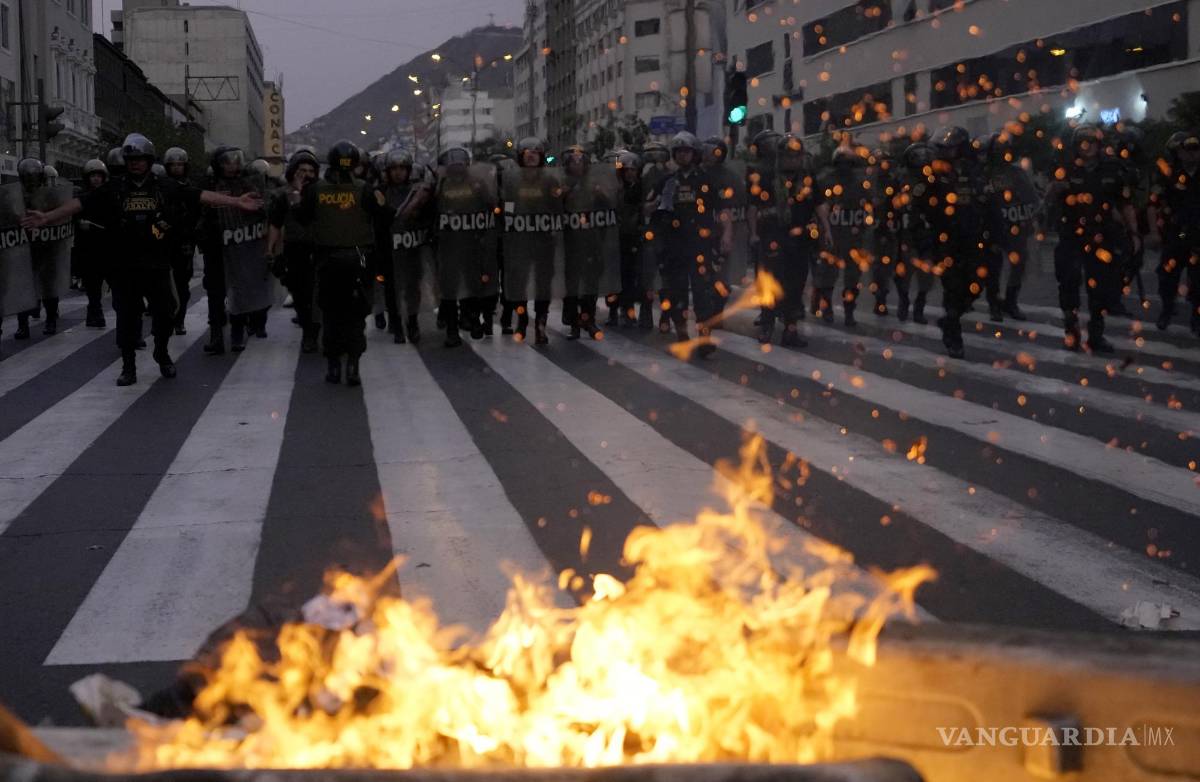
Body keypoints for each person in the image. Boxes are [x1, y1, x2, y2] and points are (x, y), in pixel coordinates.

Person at [21, 133, 261, 386]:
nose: (135, 163)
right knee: (127, 316)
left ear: (149, 160)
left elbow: (198, 195)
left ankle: (162, 351)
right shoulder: (114, 187)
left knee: (166, 312)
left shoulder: (164, 186)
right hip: (124, 264)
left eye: (140, 159)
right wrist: (47, 218)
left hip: (156, 262)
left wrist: (235, 201)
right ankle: (128, 366)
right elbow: (80, 203)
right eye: (131, 159)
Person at [293, 140, 388, 383]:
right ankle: (353, 364)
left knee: (331, 315)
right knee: (356, 315)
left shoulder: (316, 190)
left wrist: (299, 194)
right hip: (359, 260)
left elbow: (302, 218)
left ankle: (333, 365)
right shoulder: (365, 189)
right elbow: (384, 217)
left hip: (328, 262)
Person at [1045, 124, 1140, 352]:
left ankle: (1096, 333)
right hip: (1071, 235)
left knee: (1101, 287)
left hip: (1101, 236)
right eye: (1083, 143)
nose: (1088, 147)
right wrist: (1054, 191)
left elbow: (1125, 204)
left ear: (1099, 144)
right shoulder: (1066, 168)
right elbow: (1049, 199)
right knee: (1068, 282)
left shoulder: (1113, 169)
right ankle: (1072, 330)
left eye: (1092, 142)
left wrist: (1134, 233)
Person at [918, 126, 1004, 359]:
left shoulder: (975, 172)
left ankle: (951, 317)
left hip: (974, 239)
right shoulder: (932, 175)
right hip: (946, 242)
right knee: (953, 286)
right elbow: (921, 209)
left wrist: (997, 237)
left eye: (952, 147)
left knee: (977, 284)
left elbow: (991, 206)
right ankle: (953, 334)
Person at [652, 131, 732, 355]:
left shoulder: (706, 180)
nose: (683, 155)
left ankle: (704, 336)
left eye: (687, 151)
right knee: (676, 292)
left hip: (701, 244)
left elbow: (723, 208)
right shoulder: (667, 182)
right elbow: (650, 209)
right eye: (679, 152)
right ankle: (681, 332)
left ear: (694, 153)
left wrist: (726, 234)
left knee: (702, 292)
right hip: (674, 247)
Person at [751, 133, 831, 346]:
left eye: (796, 156)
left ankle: (790, 330)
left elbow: (819, 204)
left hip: (800, 238)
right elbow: (754, 206)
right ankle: (767, 325)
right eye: (788, 156)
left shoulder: (807, 178)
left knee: (795, 286)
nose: (792, 160)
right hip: (772, 236)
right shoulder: (767, 176)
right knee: (771, 282)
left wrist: (827, 229)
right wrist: (754, 234)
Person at [202, 146, 272, 351]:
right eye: (226, 162)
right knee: (215, 292)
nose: (232, 165)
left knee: (242, 288)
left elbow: (265, 205)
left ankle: (238, 332)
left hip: (243, 243)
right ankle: (216, 334)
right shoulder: (210, 182)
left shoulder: (250, 180)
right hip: (216, 246)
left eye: (235, 161)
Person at [433, 146, 500, 347]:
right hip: (449, 245)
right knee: (451, 290)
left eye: (460, 166)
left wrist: (485, 195)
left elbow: (493, 207)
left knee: (473, 286)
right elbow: (433, 211)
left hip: (473, 244)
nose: (456, 170)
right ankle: (452, 331)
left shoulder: (477, 183)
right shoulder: (441, 185)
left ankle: (473, 319)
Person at [500, 137, 562, 343]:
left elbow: (558, 207)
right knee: (519, 283)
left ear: (542, 157)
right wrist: (508, 225)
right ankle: (522, 318)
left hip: (544, 241)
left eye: (536, 152)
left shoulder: (550, 180)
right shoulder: (512, 180)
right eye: (527, 153)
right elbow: (506, 205)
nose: (532, 155)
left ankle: (541, 325)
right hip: (520, 241)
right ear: (520, 157)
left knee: (543, 283)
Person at [267, 147, 322, 353]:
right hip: (294, 249)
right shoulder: (283, 195)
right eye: (301, 170)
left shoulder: (321, 193)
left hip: (319, 249)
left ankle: (314, 331)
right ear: (292, 172)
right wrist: (271, 250)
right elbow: (274, 223)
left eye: (310, 170)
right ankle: (307, 329)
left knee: (318, 292)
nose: (306, 174)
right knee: (299, 292)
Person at [376, 148, 432, 345]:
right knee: (391, 289)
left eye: (402, 168)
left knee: (412, 288)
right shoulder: (380, 192)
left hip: (412, 248)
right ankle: (397, 324)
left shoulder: (417, 191)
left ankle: (413, 322)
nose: (398, 172)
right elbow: (378, 217)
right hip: (389, 249)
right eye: (394, 168)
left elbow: (428, 216)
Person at [816, 144, 875, 327]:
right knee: (828, 274)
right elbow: (819, 206)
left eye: (847, 163)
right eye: (841, 163)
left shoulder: (861, 181)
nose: (844, 167)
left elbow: (869, 207)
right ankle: (827, 308)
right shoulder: (825, 179)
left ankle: (849, 310)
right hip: (833, 234)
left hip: (853, 234)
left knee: (852, 277)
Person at [984, 132, 1040, 320]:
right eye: (998, 149)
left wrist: (1032, 218)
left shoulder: (1018, 173)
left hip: (1016, 225)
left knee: (1019, 265)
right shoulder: (985, 173)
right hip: (993, 227)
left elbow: (1031, 198)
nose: (1002, 152)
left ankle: (1010, 302)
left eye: (1005, 148)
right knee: (993, 267)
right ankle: (994, 304)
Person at [1148, 130, 1200, 333]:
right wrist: (1154, 232)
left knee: (1198, 280)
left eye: (1196, 149)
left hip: (1198, 234)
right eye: (1187, 149)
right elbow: (1153, 204)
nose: (1192, 154)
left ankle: (1196, 317)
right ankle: (1167, 310)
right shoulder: (1168, 174)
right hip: (1176, 232)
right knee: (1167, 275)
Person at [894, 141, 937, 324]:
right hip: (907, 233)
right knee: (904, 273)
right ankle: (904, 301)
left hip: (927, 233)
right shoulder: (901, 179)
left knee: (926, 275)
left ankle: (919, 305)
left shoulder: (935, 180)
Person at [162, 147, 200, 335]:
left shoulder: (189, 187)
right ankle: (167, 317)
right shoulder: (160, 186)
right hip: (163, 239)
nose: (177, 168)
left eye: (180, 164)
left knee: (182, 283)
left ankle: (179, 319)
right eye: (173, 165)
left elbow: (198, 213)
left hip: (184, 240)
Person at [77, 158, 112, 328]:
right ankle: (96, 312)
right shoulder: (82, 198)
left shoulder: (111, 197)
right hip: (88, 247)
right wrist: (80, 224)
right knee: (93, 283)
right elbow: (73, 219)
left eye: (99, 175)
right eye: (93, 176)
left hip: (107, 246)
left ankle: (94, 311)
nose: (96, 179)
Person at [615, 150, 646, 327]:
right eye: (626, 170)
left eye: (633, 170)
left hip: (638, 237)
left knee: (638, 276)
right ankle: (624, 310)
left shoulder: (642, 188)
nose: (630, 173)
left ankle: (640, 310)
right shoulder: (618, 190)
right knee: (623, 275)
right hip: (621, 237)